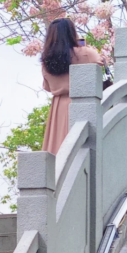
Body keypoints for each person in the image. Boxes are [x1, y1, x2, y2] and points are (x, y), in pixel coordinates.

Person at [41, 18, 103, 155]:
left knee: (58, 151)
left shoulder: (46, 60)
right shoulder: (87, 53)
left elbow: (48, 87)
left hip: (58, 107)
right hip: (84, 105)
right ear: (71, 32)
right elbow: (98, 71)